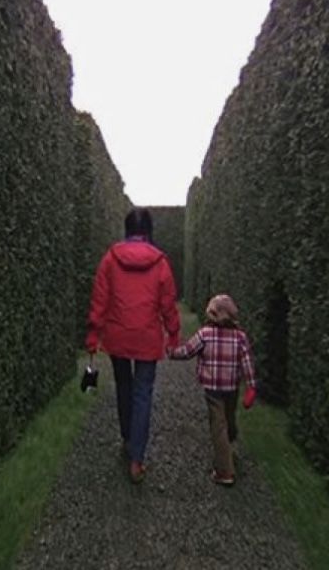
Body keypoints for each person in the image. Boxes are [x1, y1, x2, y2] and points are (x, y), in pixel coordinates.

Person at [85, 207, 180, 483]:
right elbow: (168, 304)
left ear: (127, 230)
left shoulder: (110, 260)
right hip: (147, 338)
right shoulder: (160, 262)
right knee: (142, 395)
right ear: (148, 231)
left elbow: (99, 300)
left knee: (124, 388)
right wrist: (173, 335)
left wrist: (93, 334)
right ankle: (137, 460)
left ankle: (127, 439)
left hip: (118, 336)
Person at [167, 294, 257, 486]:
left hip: (213, 388)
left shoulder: (205, 334)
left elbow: (187, 351)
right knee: (229, 418)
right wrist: (250, 387)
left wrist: (171, 351)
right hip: (232, 387)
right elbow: (247, 362)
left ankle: (225, 472)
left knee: (218, 425)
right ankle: (229, 445)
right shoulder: (240, 337)